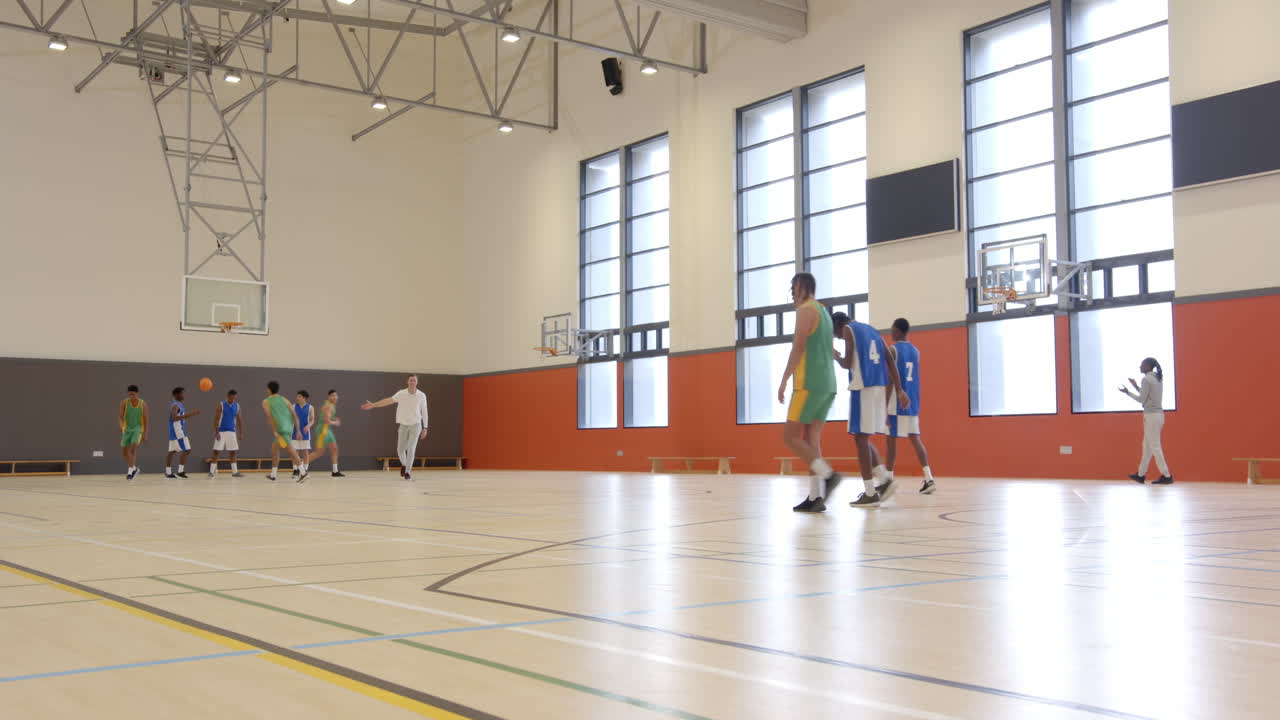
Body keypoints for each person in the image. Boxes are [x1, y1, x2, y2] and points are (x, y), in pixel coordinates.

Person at [778, 273, 841, 513]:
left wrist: (784, 379)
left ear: (803, 286)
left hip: (809, 382)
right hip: (827, 383)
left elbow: (798, 346)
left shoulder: (806, 310)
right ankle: (816, 497)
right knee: (810, 440)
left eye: (793, 287)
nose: (792, 292)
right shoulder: (824, 311)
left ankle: (828, 475)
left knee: (790, 437)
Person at [833, 312, 906, 508]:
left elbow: (848, 363)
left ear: (839, 324)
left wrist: (836, 357)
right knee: (862, 437)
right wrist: (898, 389)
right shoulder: (873, 330)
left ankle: (870, 492)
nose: (838, 337)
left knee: (859, 438)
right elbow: (890, 360)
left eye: (836, 334)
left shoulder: (848, 329)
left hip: (863, 386)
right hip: (879, 387)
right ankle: (883, 480)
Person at [884, 318, 936, 494]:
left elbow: (891, 379)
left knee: (891, 440)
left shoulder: (892, 350)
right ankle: (929, 478)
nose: (891, 333)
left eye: (892, 329)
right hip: (912, 400)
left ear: (898, 330)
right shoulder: (916, 351)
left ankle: (888, 479)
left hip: (896, 400)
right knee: (915, 438)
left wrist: (884, 405)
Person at [362, 375, 429, 481]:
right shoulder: (401, 393)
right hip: (403, 425)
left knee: (411, 448)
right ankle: (404, 464)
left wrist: (425, 427)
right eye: (411, 380)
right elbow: (388, 401)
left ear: (417, 382)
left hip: (416, 425)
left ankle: (408, 472)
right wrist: (374, 405)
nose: (412, 382)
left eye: (414, 380)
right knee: (400, 449)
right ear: (407, 382)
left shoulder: (421, 395)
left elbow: (424, 412)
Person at [1120, 357, 1173, 485]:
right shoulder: (1156, 378)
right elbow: (1147, 396)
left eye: (1142, 364)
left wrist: (1128, 392)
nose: (1140, 366)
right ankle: (1140, 474)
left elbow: (1141, 400)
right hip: (1158, 415)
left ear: (1148, 366)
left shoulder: (1146, 379)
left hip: (1151, 416)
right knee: (1147, 447)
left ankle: (1167, 475)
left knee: (1154, 446)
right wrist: (1135, 386)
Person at [262, 381, 307, 482]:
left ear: (269, 389)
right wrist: (298, 430)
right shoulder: (284, 399)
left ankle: (303, 472)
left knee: (291, 450)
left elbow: (270, 417)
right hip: (288, 428)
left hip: (280, 429)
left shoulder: (266, 402)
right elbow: (295, 416)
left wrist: (274, 431)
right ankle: (273, 475)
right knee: (274, 449)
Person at [308, 390, 345, 477]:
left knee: (334, 448)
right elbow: (326, 420)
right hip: (323, 431)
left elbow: (328, 417)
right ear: (328, 397)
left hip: (328, 430)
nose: (335, 397)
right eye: (332, 395)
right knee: (318, 453)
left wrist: (334, 419)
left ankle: (335, 471)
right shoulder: (327, 406)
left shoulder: (332, 405)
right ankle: (300, 466)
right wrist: (335, 423)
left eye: (336, 395)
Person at [208, 389, 244, 479]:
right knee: (216, 451)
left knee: (233, 452)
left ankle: (234, 472)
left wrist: (241, 432)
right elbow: (216, 419)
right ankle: (211, 472)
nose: (233, 399)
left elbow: (239, 420)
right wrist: (216, 432)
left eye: (234, 398)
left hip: (232, 431)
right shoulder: (221, 405)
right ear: (228, 396)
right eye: (231, 397)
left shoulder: (237, 406)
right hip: (221, 431)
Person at [165, 387, 199, 479]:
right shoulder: (176, 405)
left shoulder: (178, 404)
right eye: (182, 393)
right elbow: (174, 418)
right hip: (178, 431)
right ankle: (180, 472)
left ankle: (168, 472)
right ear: (177, 394)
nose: (183, 395)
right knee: (187, 450)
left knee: (171, 451)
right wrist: (190, 414)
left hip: (175, 431)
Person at [119, 385, 148, 480]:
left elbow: (146, 420)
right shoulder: (124, 403)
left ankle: (130, 472)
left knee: (132, 449)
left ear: (137, 394)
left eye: (133, 394)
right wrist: (121, 426)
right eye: (130, 394)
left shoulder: (143, 404)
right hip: (127, 429)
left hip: (138, 429)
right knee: (124, 453)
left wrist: (145, 433)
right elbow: (120, 417)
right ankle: (135, 468)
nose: (131, 396)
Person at [291, 391, 314, 481]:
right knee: (294, 452)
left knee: (305, 452)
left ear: (304, 398)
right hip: (295, 432)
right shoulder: (293, 406)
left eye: (299, 396)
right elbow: (291, 419)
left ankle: (305, 469)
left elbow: (312, 420)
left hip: (305, 433)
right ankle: (295, 470)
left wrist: (308, 426)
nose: (297, 398)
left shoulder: (310, 407)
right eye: (297, 396)